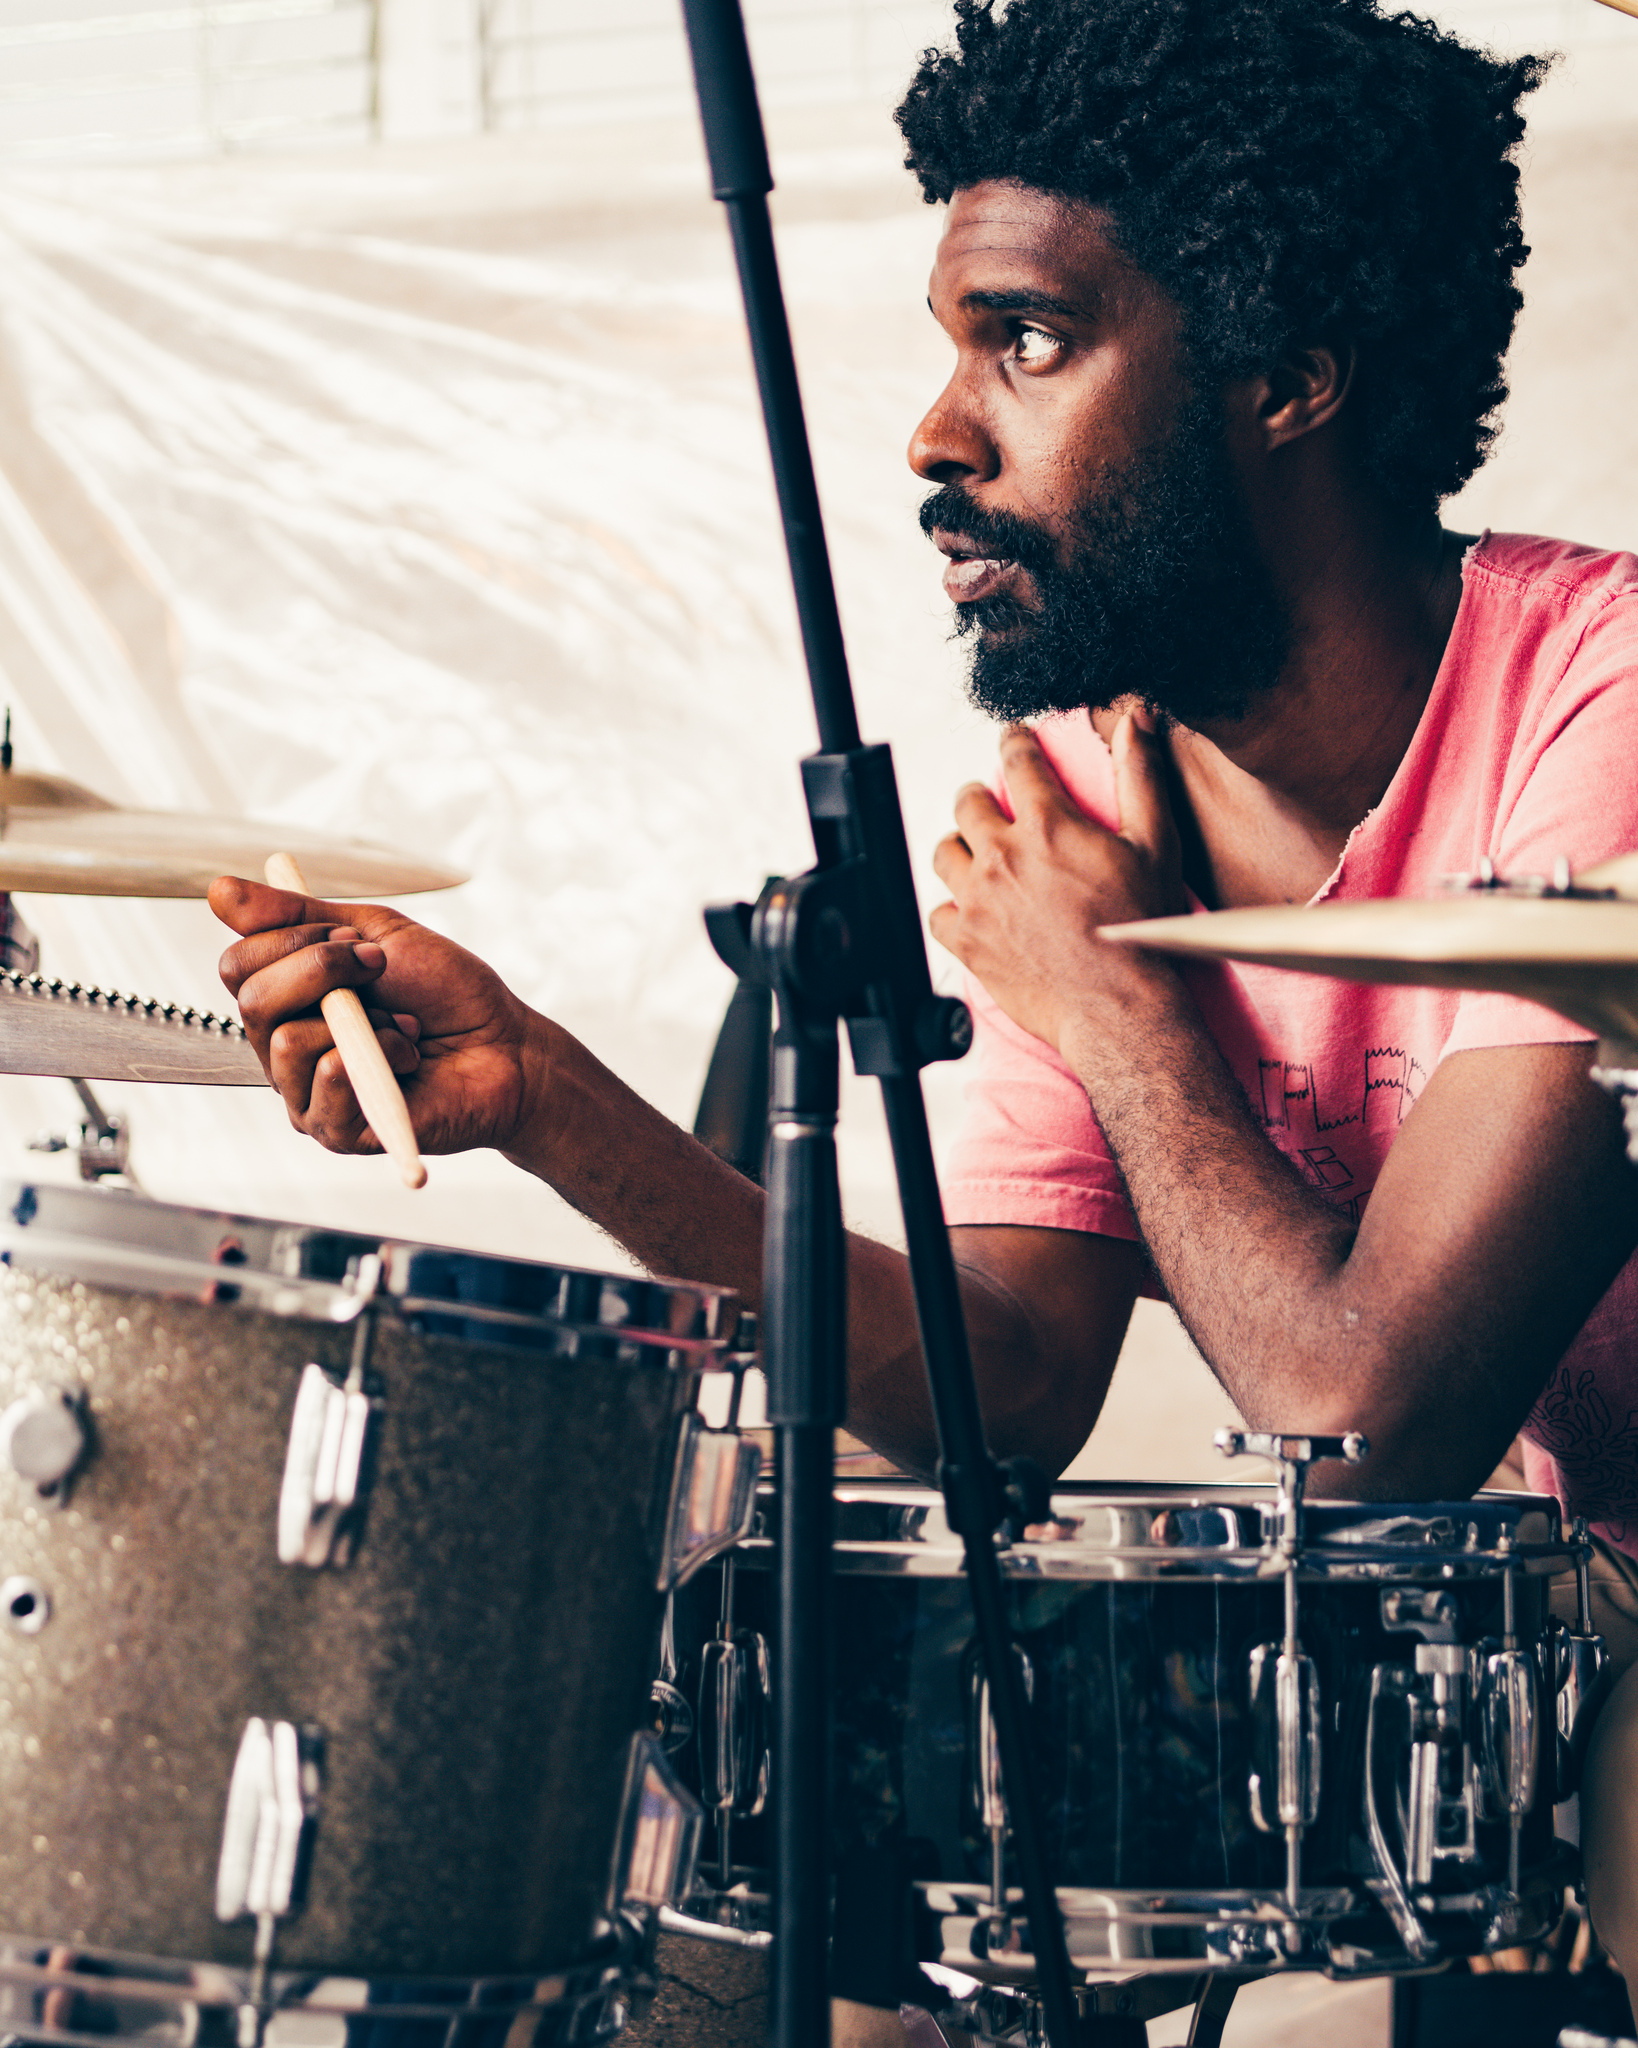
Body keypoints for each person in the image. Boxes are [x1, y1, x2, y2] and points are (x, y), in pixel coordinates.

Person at [211, 0, 1638, 1979]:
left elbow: (1362, 1425)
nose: (936, 434)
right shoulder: (1087, 799)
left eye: (1024, 339)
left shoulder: (1599, 706)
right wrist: (542, 1092)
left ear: (1289, 377)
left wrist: (1116, 1003)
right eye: (954, 346)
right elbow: (1006, 1390)